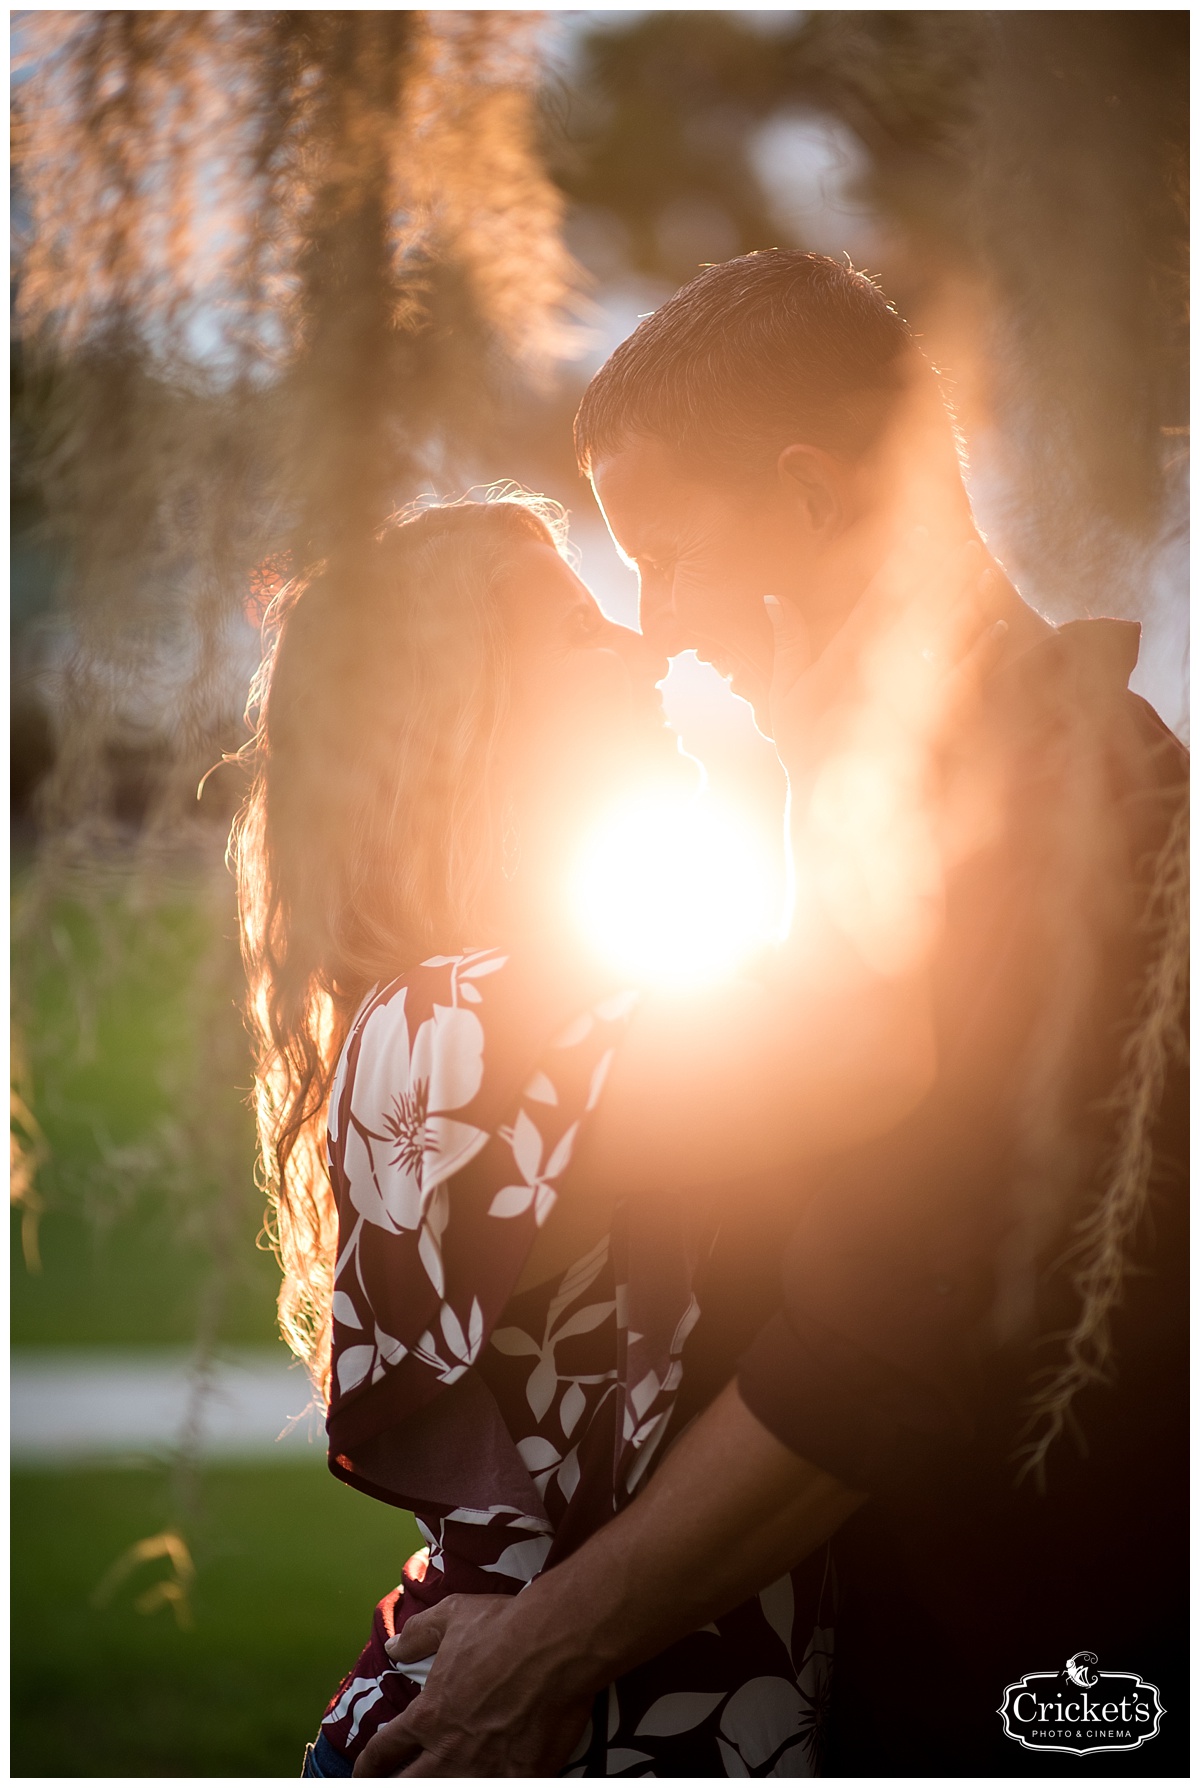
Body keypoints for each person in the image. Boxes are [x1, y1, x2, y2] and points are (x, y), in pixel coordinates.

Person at [355, 253, 1188, 1777]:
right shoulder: (912, 815)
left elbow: (873, 1351)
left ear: (810, 500)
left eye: (666, 553)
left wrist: (534, 1654)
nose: (658, 627)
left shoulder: (1059, 813)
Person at [233, 493, 990, 1776]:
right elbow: (871, 1051)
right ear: (467, 719)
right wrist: (850, 718)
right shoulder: (449, 1023)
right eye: (580, 632)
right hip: (546, 1725)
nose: (644, 648)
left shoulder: (586, 997)